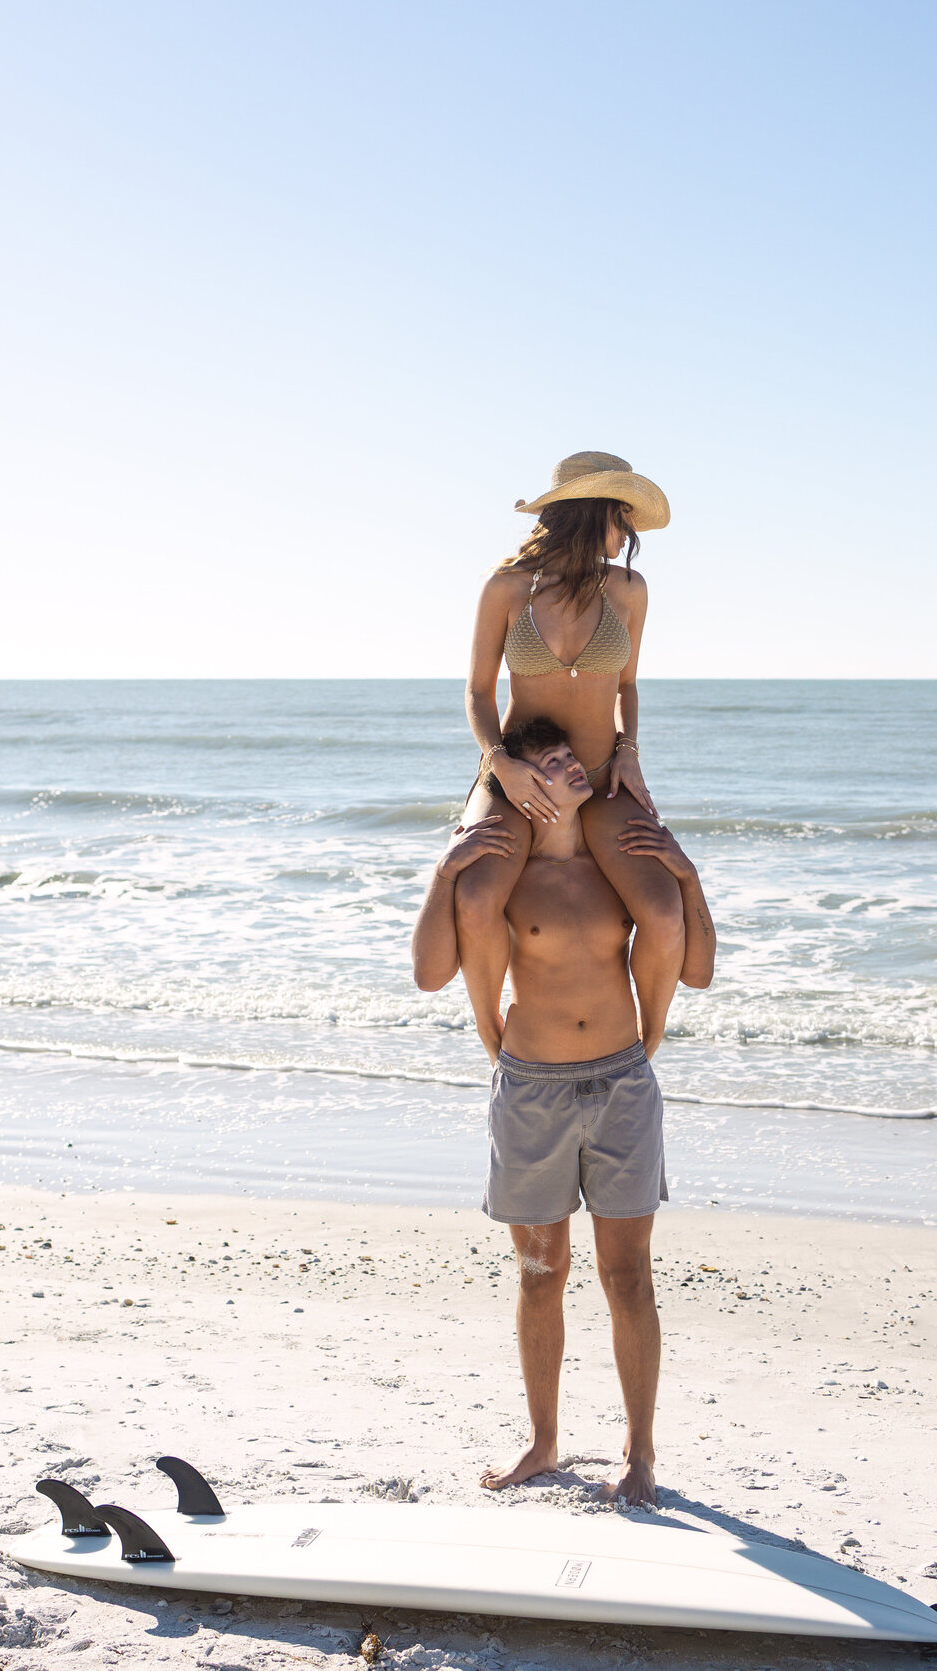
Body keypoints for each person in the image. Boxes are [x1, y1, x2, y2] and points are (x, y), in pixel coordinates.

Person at [412, 715, 715, 1506]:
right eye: (551, 761)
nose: (572, 766)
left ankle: (640, 1454)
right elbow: (428, 974)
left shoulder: (621, 874)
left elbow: (701, 969)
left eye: (570, 755)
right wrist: (443, 874)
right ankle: (544, 1443)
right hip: (534, 1091)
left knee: (628, 1278)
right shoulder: (504, 883)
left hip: (620, 1085)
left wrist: (687, 875)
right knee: (540, 1275)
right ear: (521, 786)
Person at [456, 450, 685, 1065]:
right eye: (622, 518)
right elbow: (478, 693)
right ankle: (489, 1033)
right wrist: (499, 762)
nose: (627, 535)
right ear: (593, 513)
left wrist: (630, 754)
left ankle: (648, 1040)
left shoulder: (628, 591)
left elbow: (628, 685)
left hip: (602, 776)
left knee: (663, 909)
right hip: (515, 774)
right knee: (476, 897)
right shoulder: (507, 589)